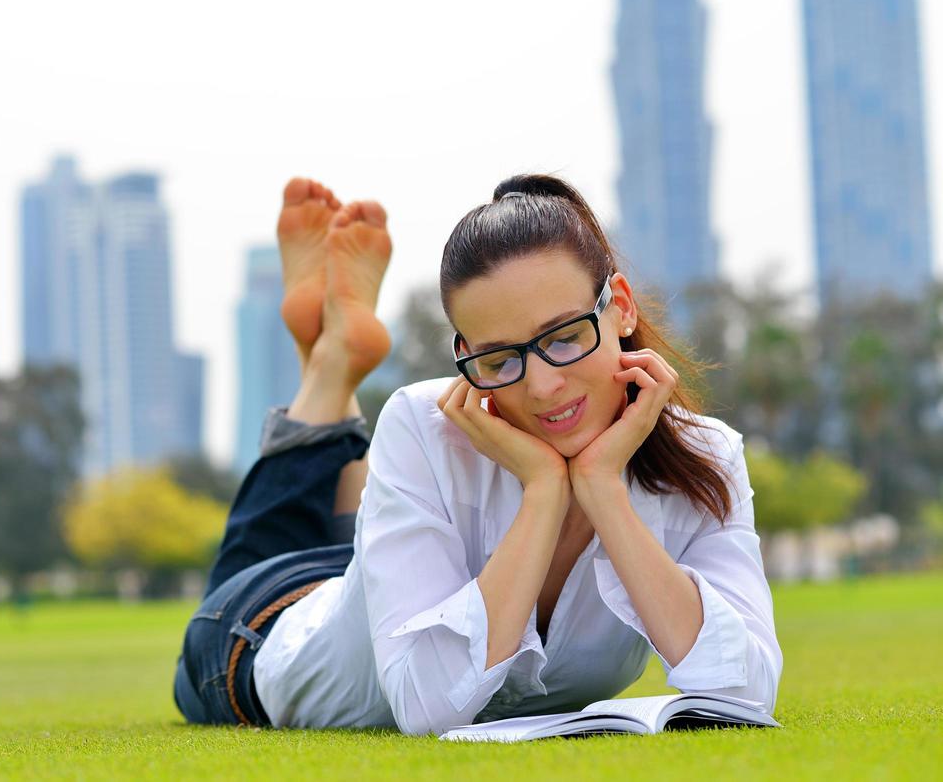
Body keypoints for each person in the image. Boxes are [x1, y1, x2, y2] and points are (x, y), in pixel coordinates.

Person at [172, 173, 782, 735]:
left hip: (369, 579)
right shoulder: (424, 424)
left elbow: (745, 690)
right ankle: (328, 368)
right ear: (465, 353)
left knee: (362, 554)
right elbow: (426, 708)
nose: (543, 386)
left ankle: (325, 357)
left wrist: (602, 489)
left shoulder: (707, 459)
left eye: (566, 337)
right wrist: (544, 491)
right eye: (500, 359)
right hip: (261, 628)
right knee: (255, 563)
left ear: (620, 306)